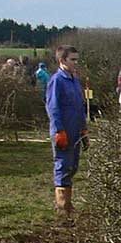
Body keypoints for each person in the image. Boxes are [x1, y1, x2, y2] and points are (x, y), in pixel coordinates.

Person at [44, 43, 89, 215]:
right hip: (63, 130)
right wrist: (58, 130)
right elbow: (53, 107)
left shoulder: (75, 81)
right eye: (72, 60)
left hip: (76, 129)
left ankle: (68, 204)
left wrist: (83, 129)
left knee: (73, 166)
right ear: (62, 60)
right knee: (63, 165)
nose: (76, 63)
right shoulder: (57, 81)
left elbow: (79, 107)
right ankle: (62, 206)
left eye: (77, 60)